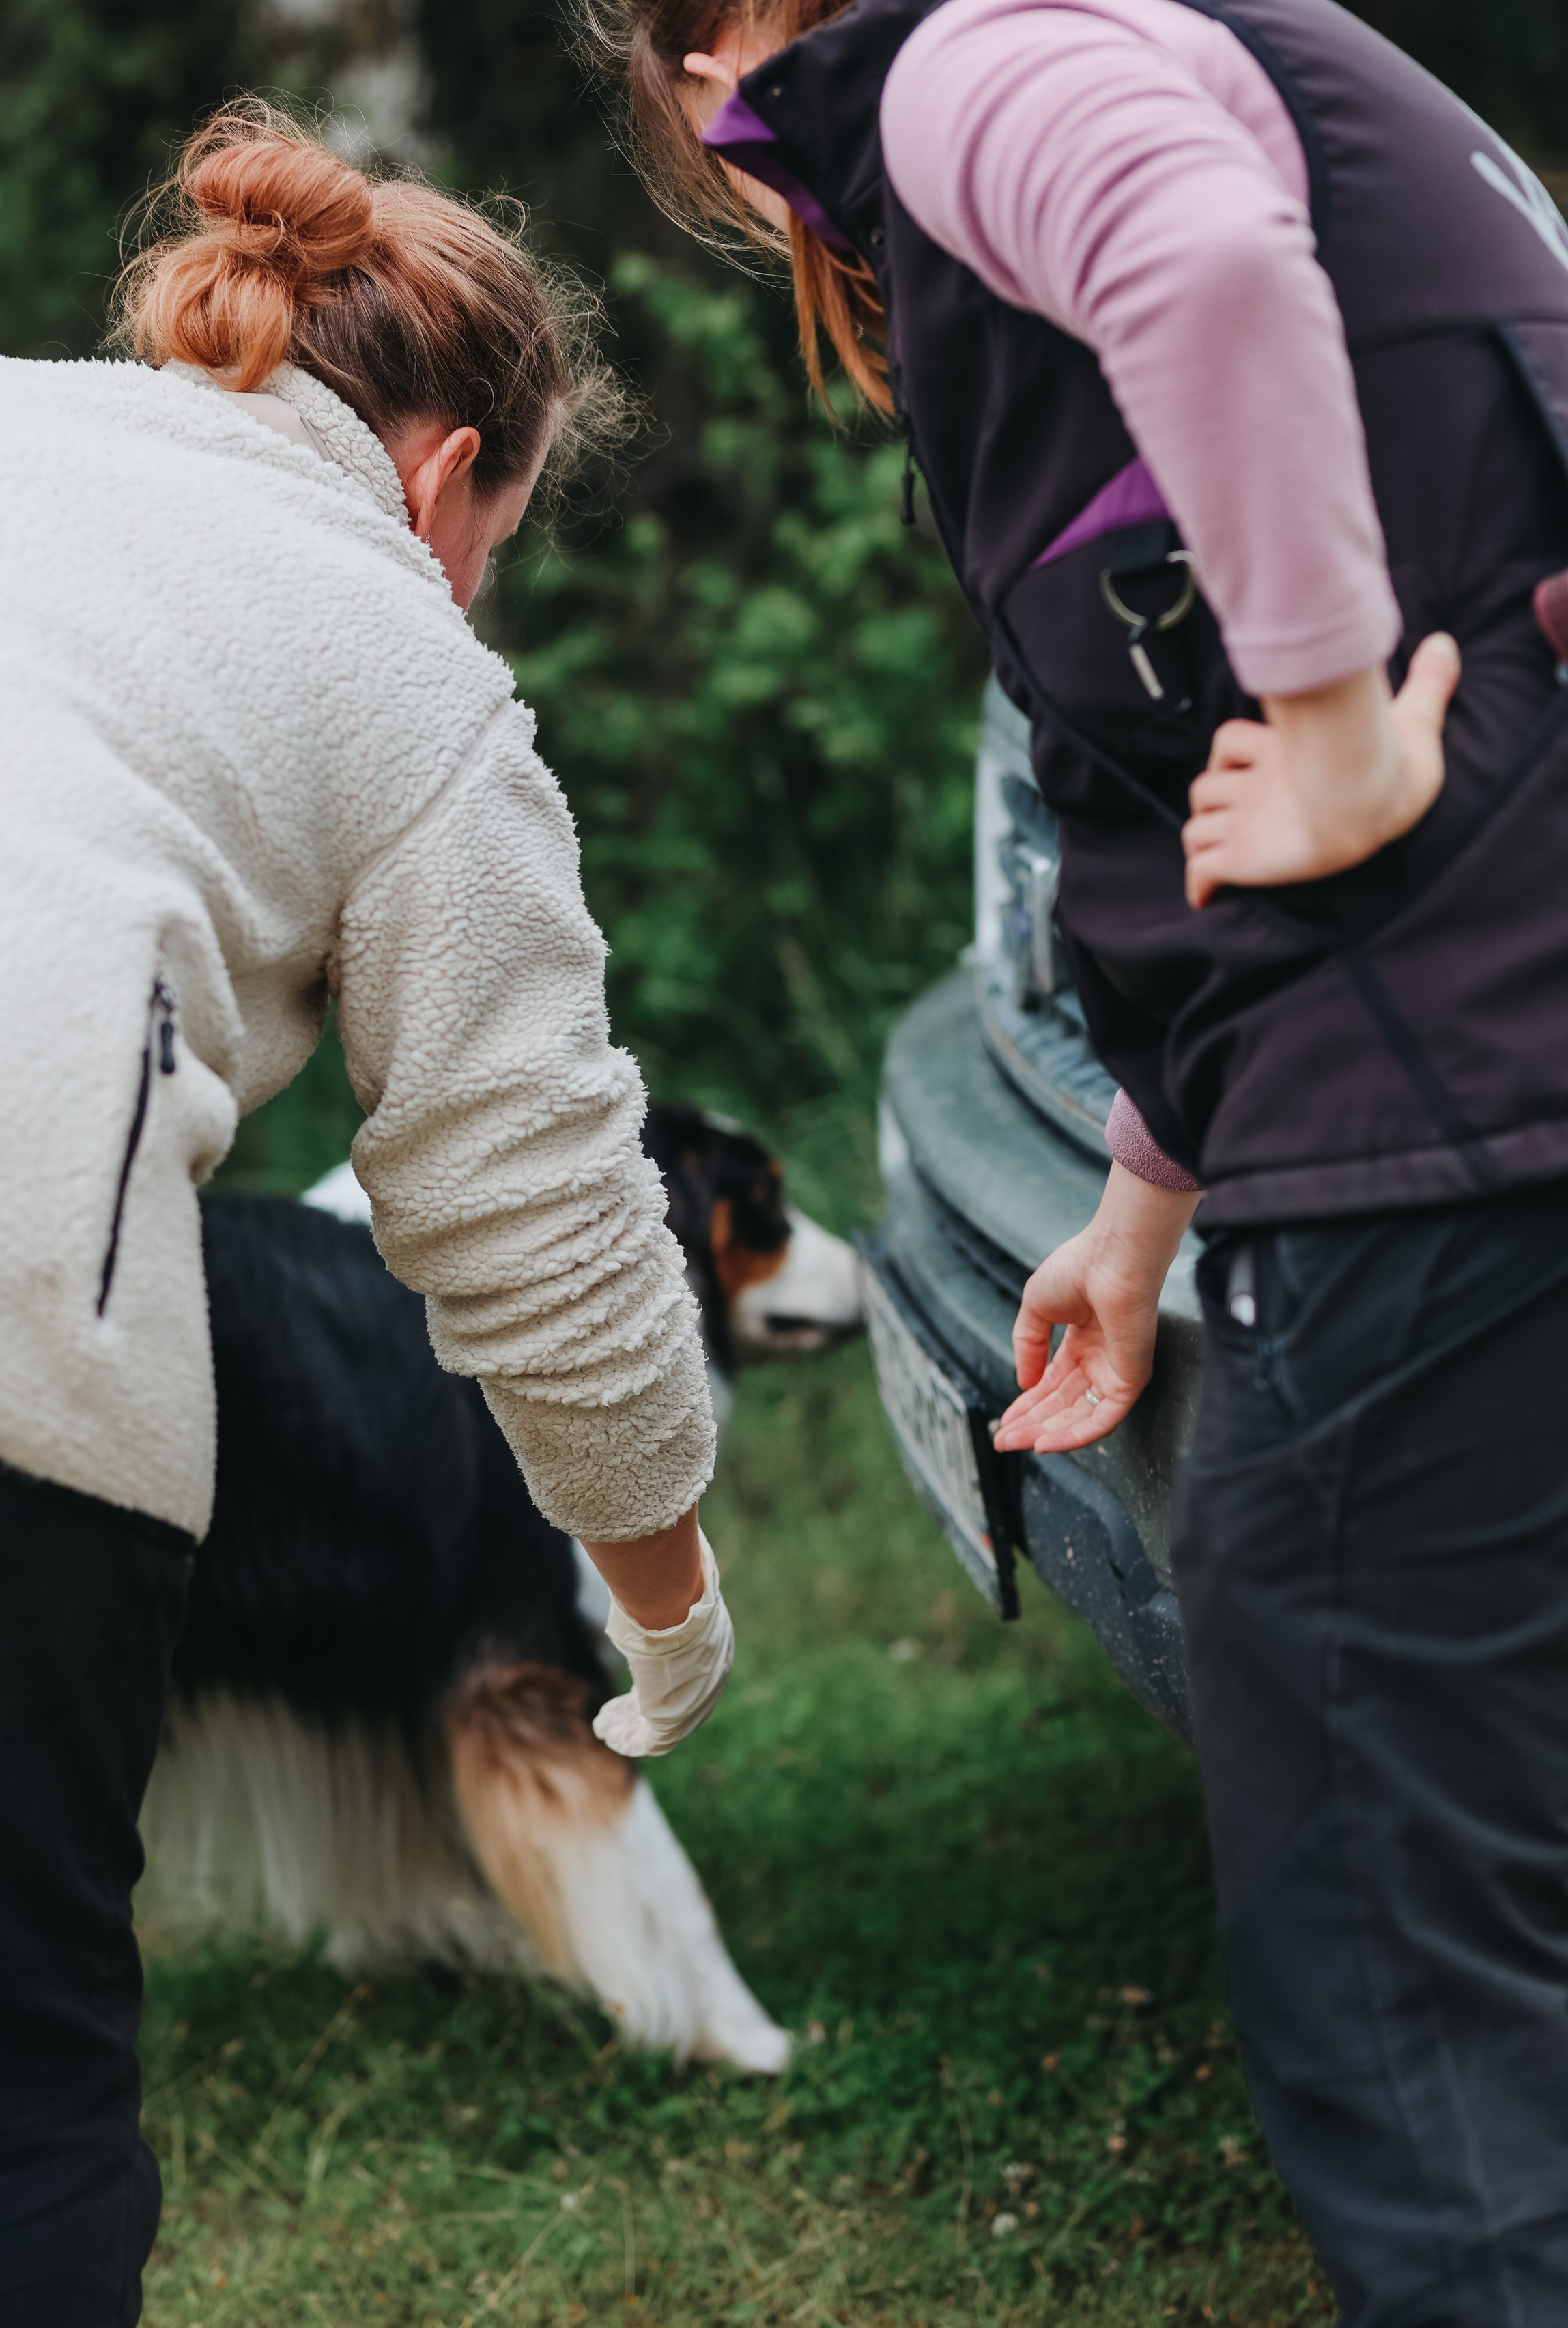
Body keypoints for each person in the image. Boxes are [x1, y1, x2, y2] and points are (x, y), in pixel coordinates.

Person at [586, 0, 1568, 2316]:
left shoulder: (965, 65)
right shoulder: (1212, 43)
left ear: (711, 64)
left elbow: (1206, 269)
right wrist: (1140, 1208)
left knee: (1396, 1954)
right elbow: (1155, 760)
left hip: (1441, 1092)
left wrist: (1338, 724)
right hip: (1461, 1057)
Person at [0, 104, 736, 2325]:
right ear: (447, 477)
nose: (474, 588)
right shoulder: (407, 659)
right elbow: (538, 1212)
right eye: (493, 543)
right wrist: (669, 1601)